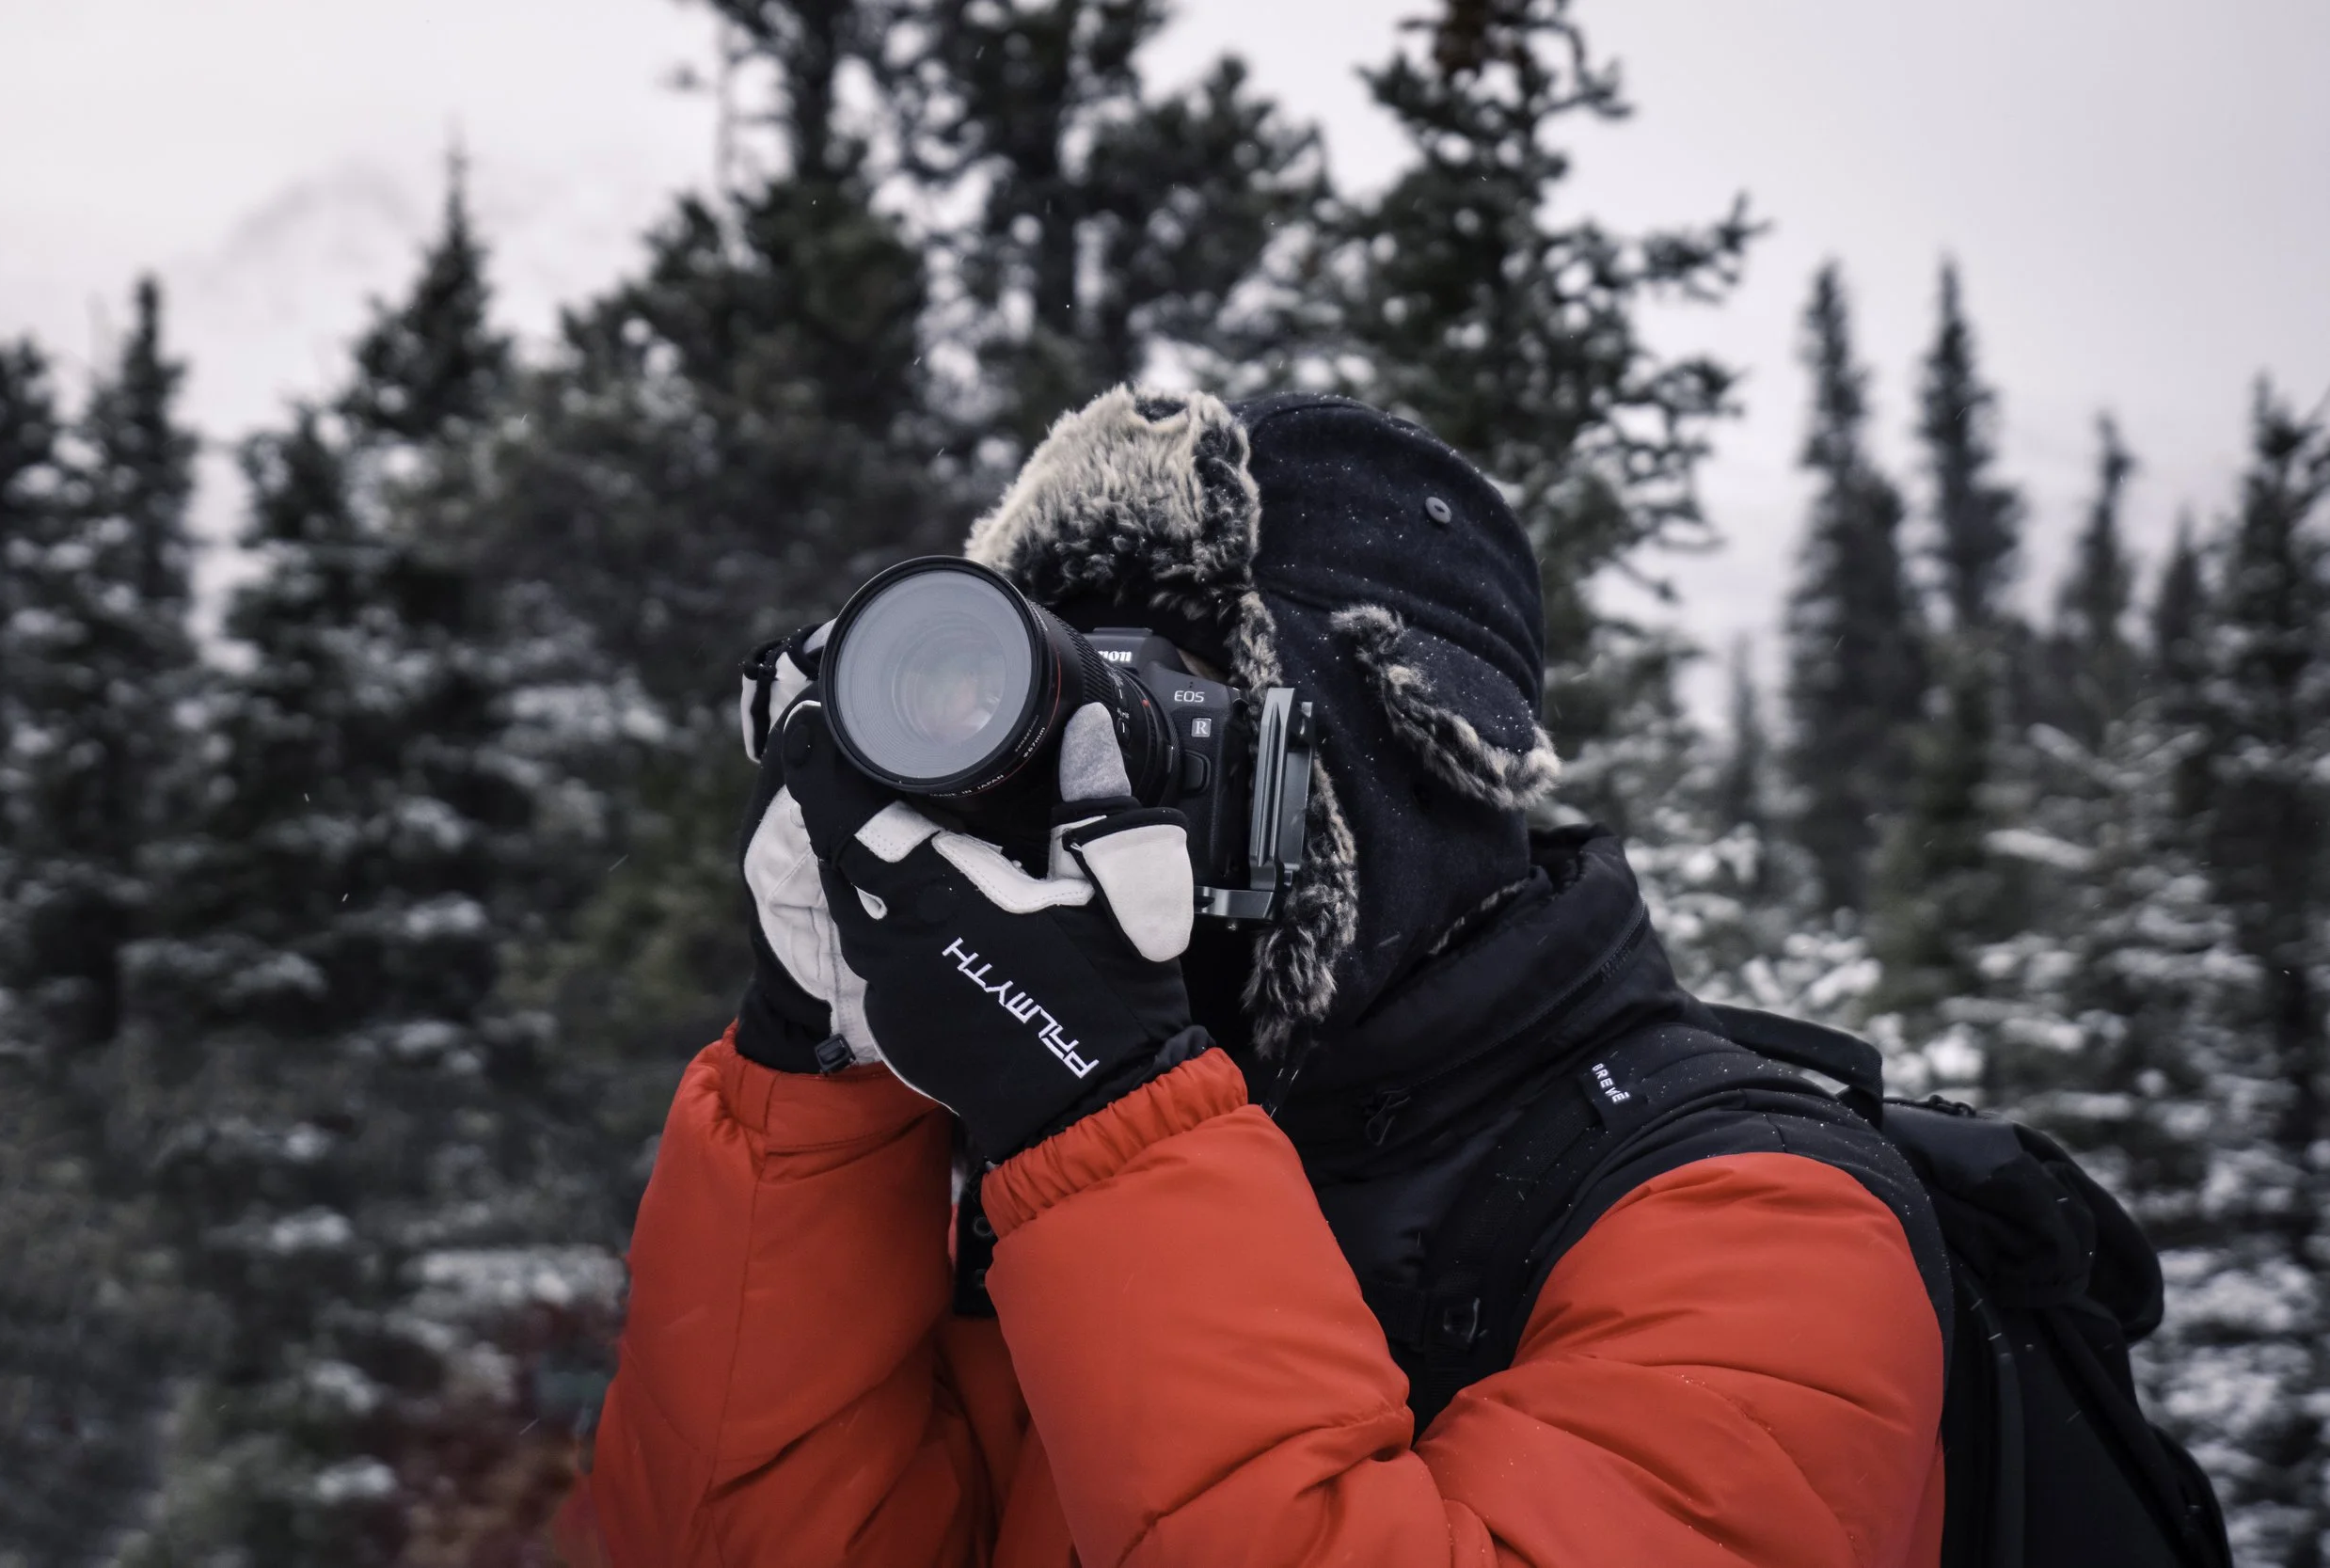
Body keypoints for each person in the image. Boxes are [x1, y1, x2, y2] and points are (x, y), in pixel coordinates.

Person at [564, 388, 1950, 1567]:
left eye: (1163, 723)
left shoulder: (1761, 1221)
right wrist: (818, 1074)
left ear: (1392, 776)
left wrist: (1106, 1116)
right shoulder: (1033, 1187)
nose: (1069, 809)